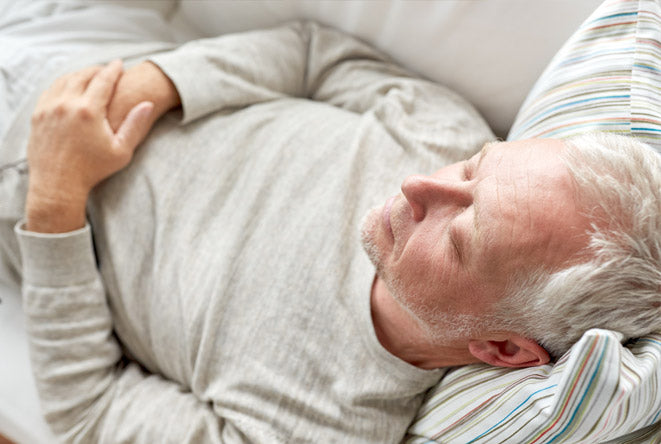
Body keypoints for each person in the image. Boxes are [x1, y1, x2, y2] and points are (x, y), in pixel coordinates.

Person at [3, 21, 660, 443]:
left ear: (502, 350)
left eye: (463, 234)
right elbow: (311, 54)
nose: (417, 186)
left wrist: (56, 196)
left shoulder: (311, 426)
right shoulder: (440, 130)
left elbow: (89, 414)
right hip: (81, 57)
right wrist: (160, 82)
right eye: (472, 168)